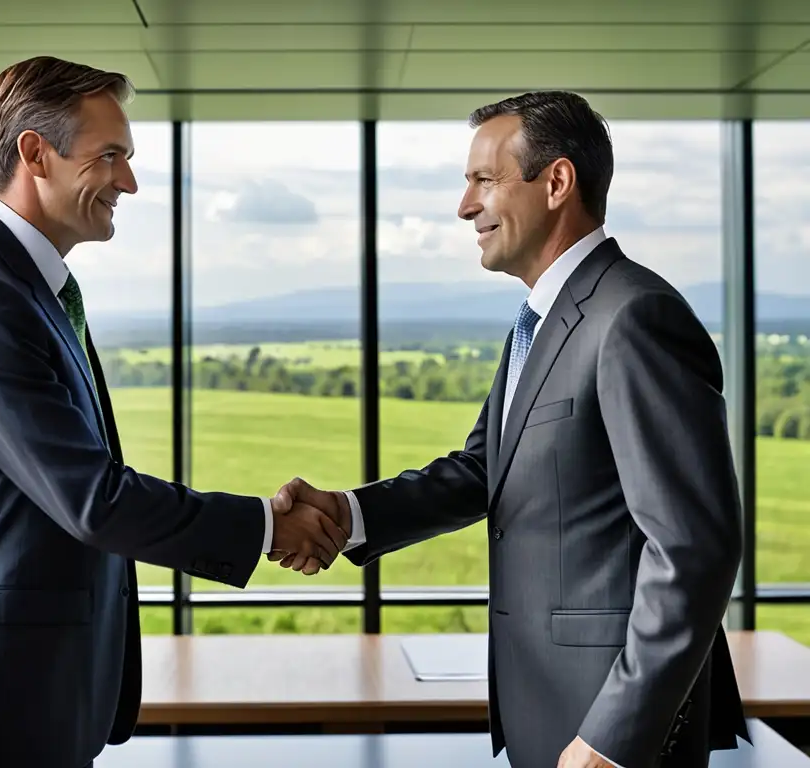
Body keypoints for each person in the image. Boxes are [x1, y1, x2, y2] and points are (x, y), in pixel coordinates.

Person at [0, 56, 346, 768]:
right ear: (35, 153)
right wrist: (265, 524)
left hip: (36, 701)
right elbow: (94, 499)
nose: (128, 180)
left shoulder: (31, 289)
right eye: (111, 156)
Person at [270, 91, 750, 768]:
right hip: (548, 710)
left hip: (610, 729)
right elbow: (486, 469)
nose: (464, 207)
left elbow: (694, 547)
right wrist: (349, 514)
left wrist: (614, 738)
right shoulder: (544, 319)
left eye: (483, 181)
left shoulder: (634, 317)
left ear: (556, 183)